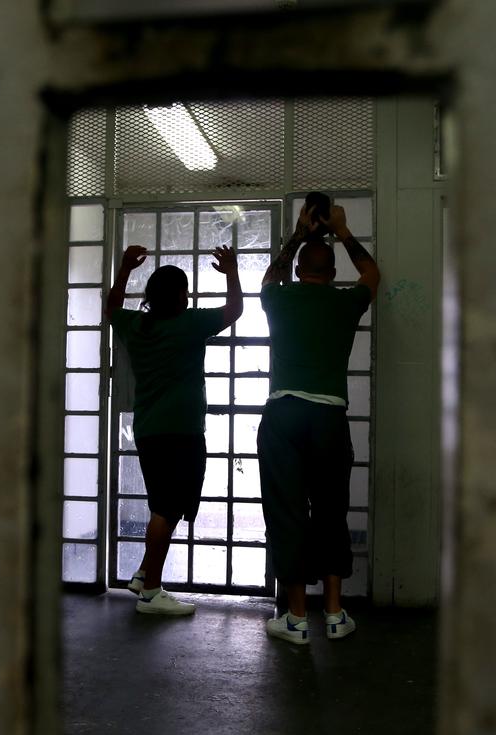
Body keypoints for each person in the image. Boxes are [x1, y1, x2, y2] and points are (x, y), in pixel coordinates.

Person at [257, 195, 381, 645]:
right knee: (331, 511)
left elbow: (270, 276)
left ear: (298, 272)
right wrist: (343, 231)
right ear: (332, 275)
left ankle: (293, 619)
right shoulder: (344, 302)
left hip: (283, 414)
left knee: (287, 513)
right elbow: (372, 274)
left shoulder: (278, 299)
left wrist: (297, 234)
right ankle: (332, 612)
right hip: (329, 415)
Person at [107, 244, 243, 615]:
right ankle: (151, 592)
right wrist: (230, 270)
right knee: (167, 509)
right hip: (182, 433)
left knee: (163, 505)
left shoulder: (136, 325)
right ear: (181, 295)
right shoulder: (190, 323)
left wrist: (123, 270)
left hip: (149, 431)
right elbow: (235, 310)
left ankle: (142, 574)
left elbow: (112, 308)